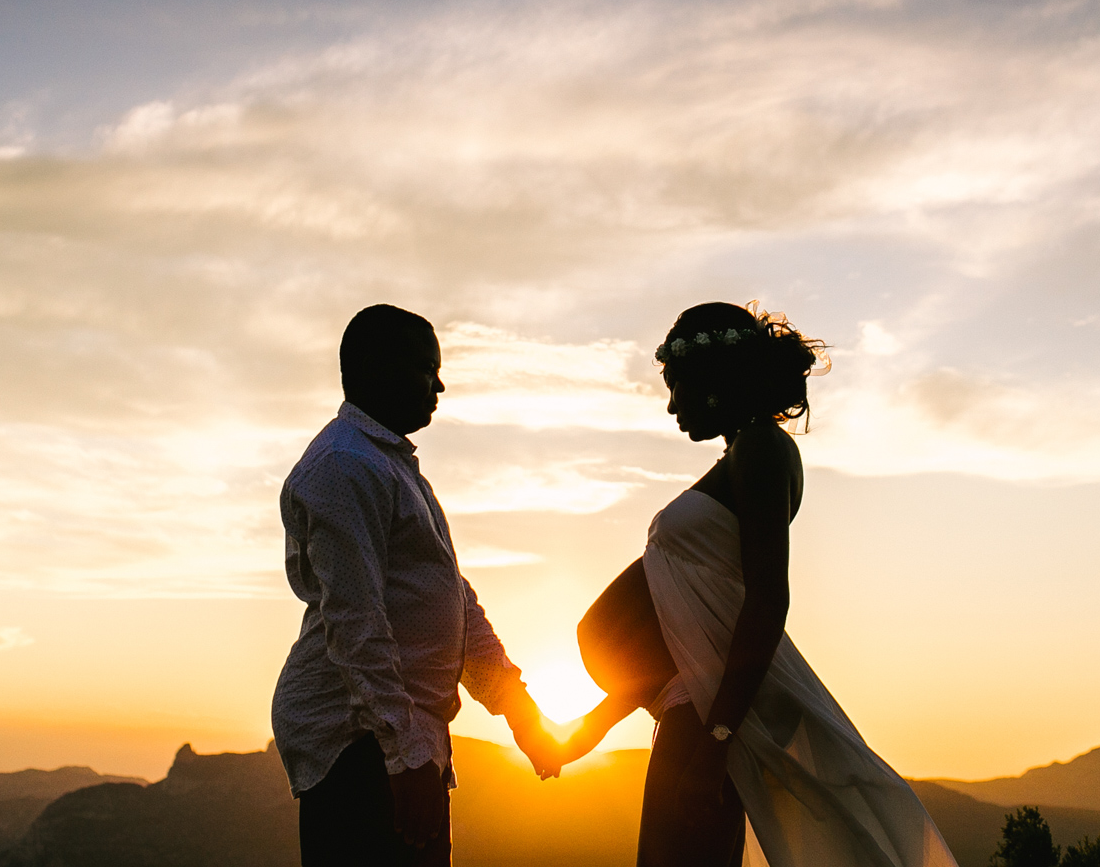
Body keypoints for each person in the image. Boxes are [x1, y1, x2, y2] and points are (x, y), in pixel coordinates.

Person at [557, 302, 958, 867]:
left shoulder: (763, 451)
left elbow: (768, 603)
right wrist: (592, 727)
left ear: (714, 380)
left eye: (677, 386)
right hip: (687, 707)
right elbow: (684, 633)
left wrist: (714, 744)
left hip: (704, 721)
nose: (671, 405)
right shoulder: (743, 454)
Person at [272, 303, 563, 867]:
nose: (441, 385)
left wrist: (518, 710)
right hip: (357, 741)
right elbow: (356, 621)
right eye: (427, 368)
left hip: (396, 736)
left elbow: (454, 598)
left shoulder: (389, 465)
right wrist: (402, 758)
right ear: (378, 369)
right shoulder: (343, 466)